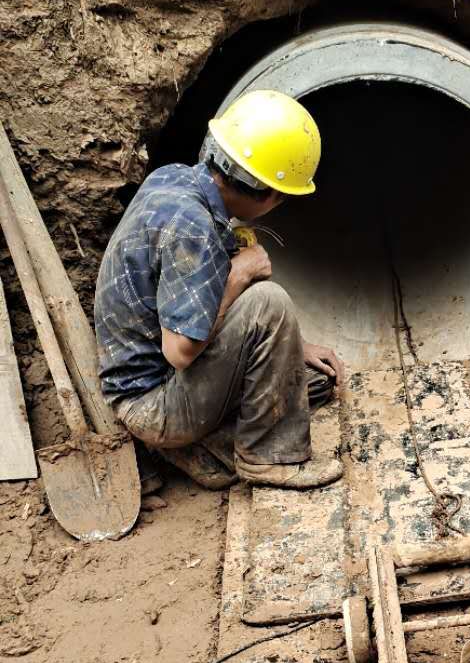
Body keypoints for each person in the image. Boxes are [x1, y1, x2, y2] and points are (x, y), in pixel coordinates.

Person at [94, 88, 346, 491]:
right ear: (269, 194)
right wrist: (239, 275)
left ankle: (207, 450)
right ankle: (266, 459)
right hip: (152, 404)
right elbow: (179, 352)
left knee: (311, 381)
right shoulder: (192, 228)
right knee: (268, 301)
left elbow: (195, 293)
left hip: (150, 385)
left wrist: (293, 346)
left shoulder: (175, 179)